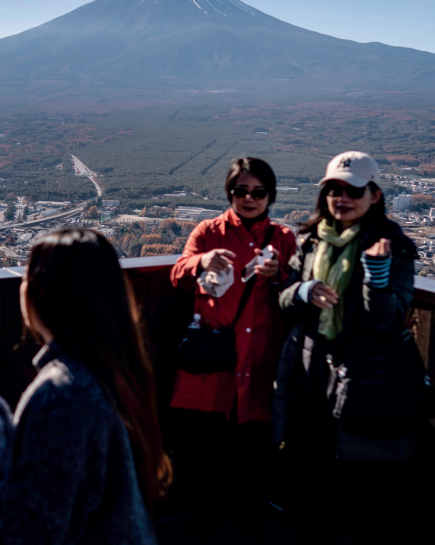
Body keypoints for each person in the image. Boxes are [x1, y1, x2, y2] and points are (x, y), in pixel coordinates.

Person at [0, 228, 169, 545]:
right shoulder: (116, 370)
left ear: (42, 293)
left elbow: (27, 534)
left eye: (26, 276)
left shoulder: (62, 395)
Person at [273, 151, 426, 544]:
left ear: (374, 194)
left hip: (362, 383)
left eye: (352, 190)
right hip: (309, 378)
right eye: (333, 189)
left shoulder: (395, 246)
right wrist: (303, 290)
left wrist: (376, 276)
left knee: (357, 485)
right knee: (308, 469)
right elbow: (285, 301)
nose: (341, 197)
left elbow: (386, 325)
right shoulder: (309, 240)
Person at [168, 157, 297, 538]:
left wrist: (282, 276)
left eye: (258, 192)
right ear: (230, 193)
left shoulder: (284, 239)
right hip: (212, 370)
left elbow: (301, 292)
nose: (249, 198)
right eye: (241, 191)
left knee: (251, 466)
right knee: (204, 464)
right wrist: (200, 261)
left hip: (258, 371)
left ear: (269, 195)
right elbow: (178, 275)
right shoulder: (208, 231)